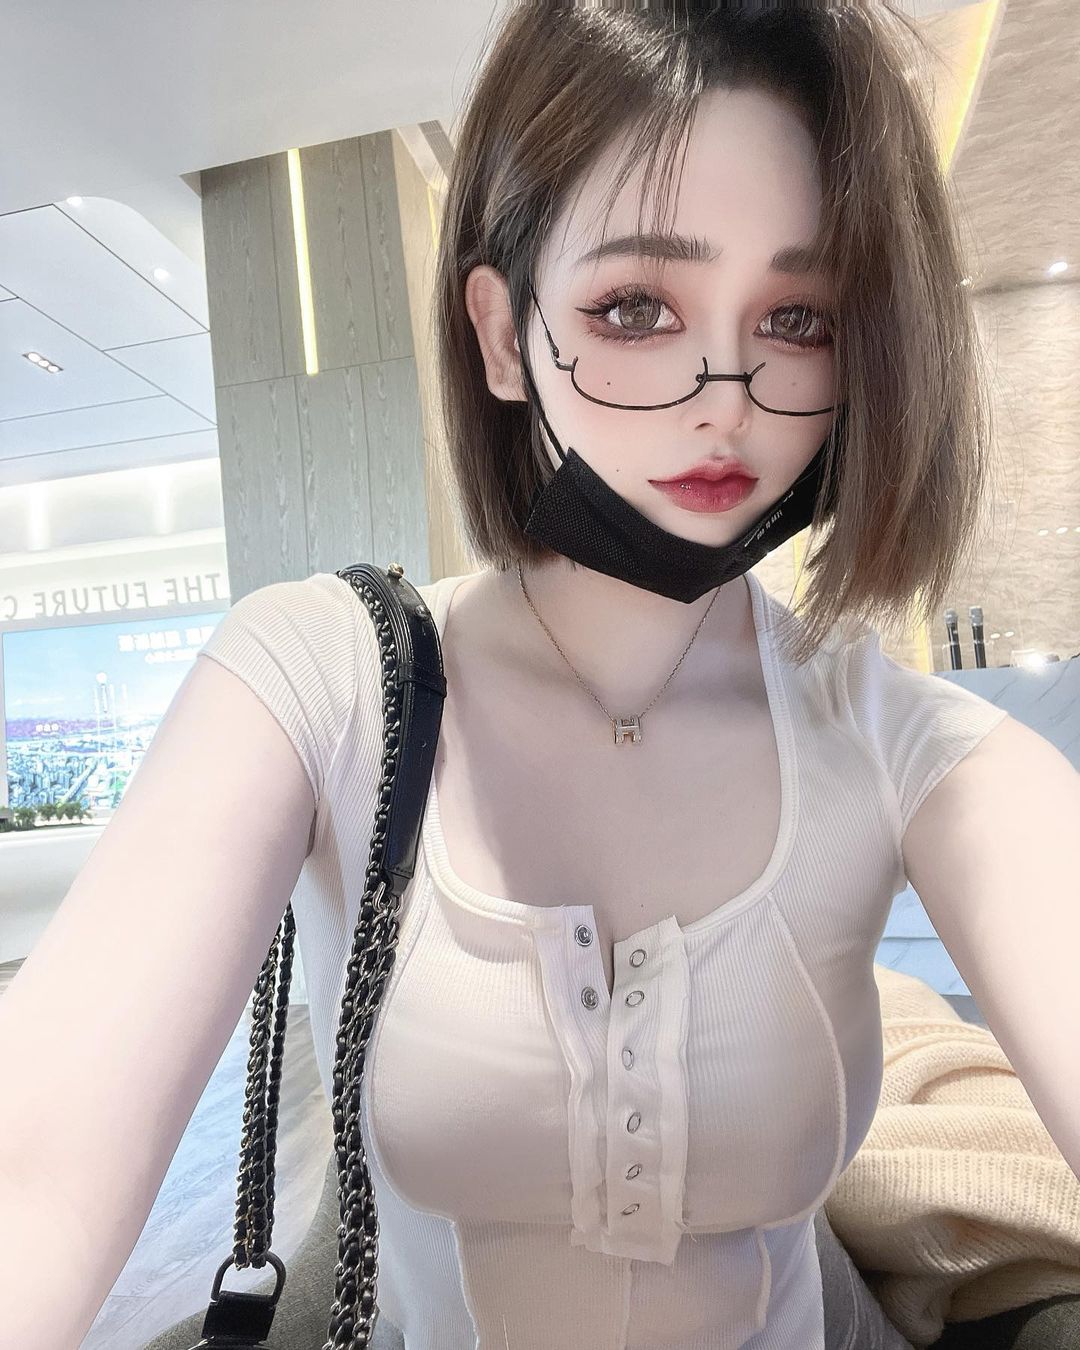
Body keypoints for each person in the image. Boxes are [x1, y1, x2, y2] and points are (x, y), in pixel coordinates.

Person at [0, 2, 1035, 1347]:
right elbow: (37, 1161)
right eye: (635, 308)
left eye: (798, 315)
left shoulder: (900, 739)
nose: (724, 396)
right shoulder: (315, 680)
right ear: (501, 334)